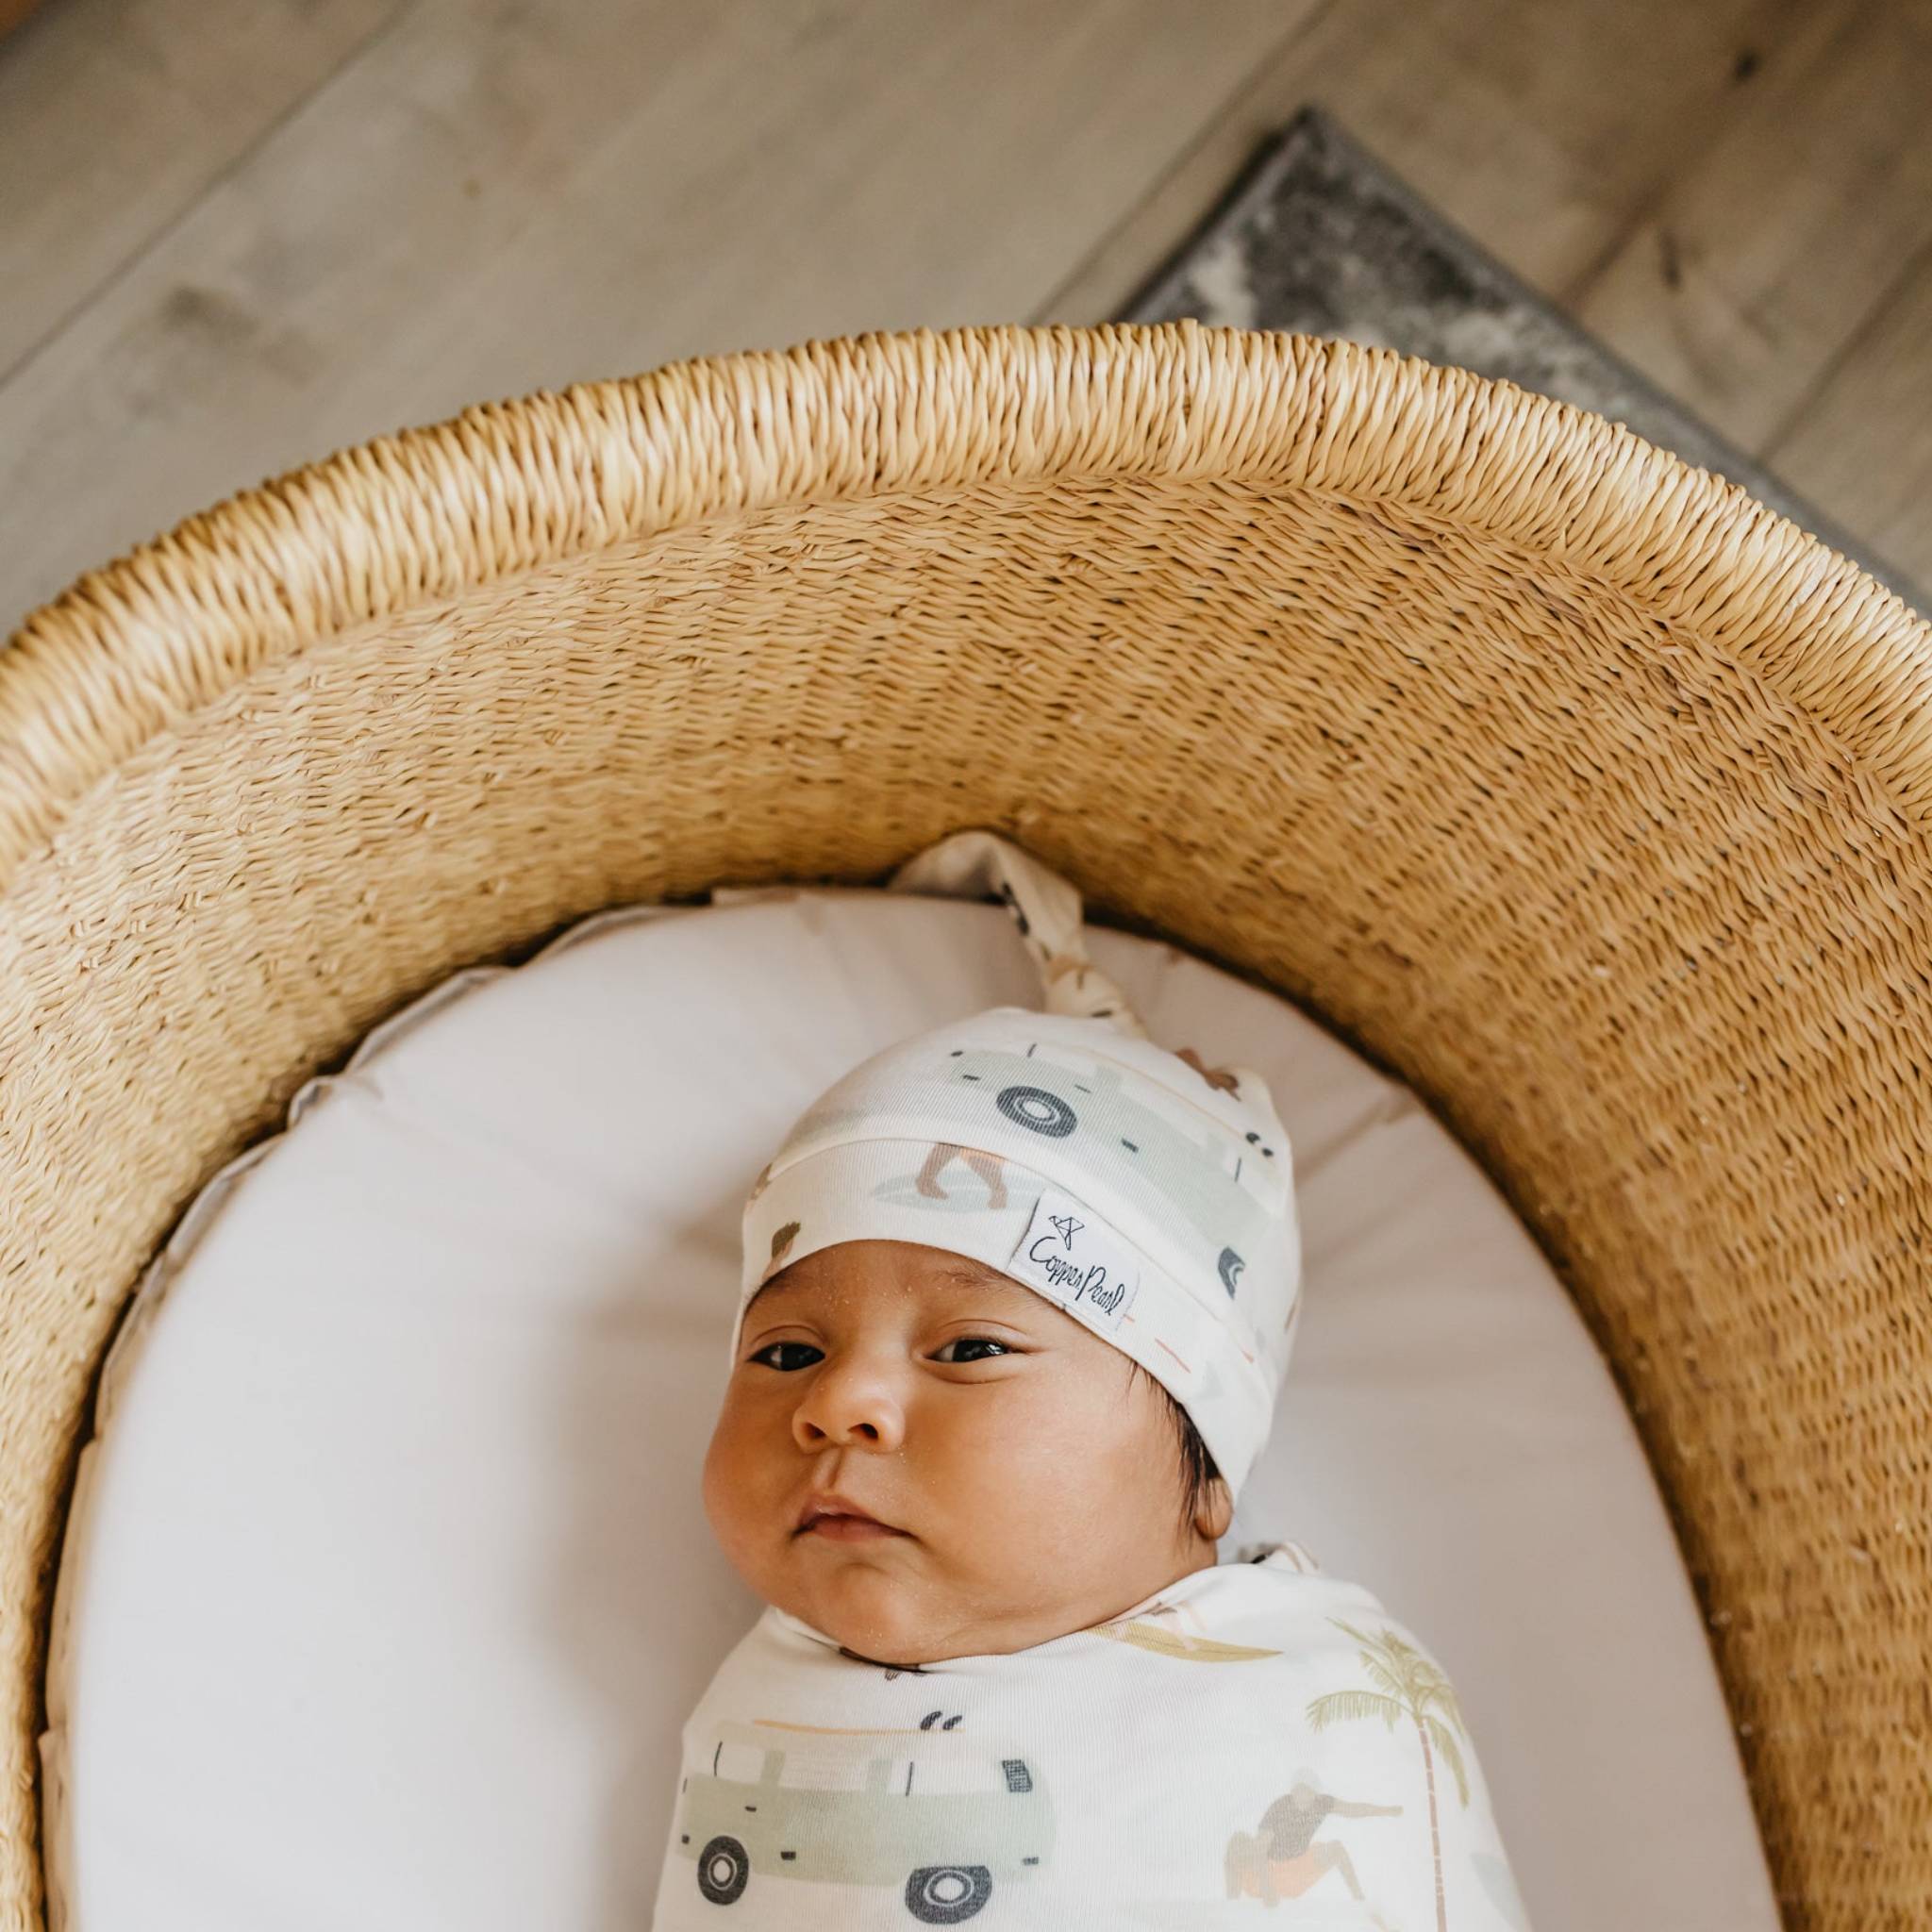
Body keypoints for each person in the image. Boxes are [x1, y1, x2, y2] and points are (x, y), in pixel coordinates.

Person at [650, 831, 1528, 1930]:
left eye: (969, 1348)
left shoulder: (1308, 1692)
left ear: (1202, 1479)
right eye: (784, 1353)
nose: (837, 1403)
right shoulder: (756, 1709)